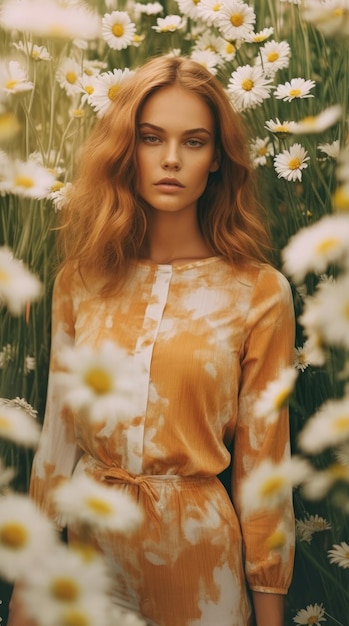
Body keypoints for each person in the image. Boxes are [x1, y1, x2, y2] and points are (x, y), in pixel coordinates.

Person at [9, 55, 295, 626]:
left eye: (193, 141)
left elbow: (265, 468)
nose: (170, 159)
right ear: (125, 150)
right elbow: (58, 441)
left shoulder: (258, 291)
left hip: (199, 570)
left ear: (217, 158)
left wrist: (270, 614)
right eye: (150, 138)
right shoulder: (83, 281)